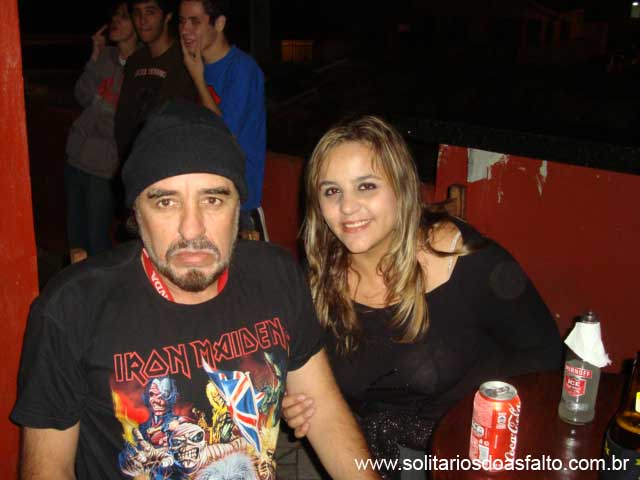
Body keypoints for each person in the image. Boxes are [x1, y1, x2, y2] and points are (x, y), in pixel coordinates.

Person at [11, 100, 379, 480]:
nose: (192, 229)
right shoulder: (73, 306)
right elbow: (48, 467)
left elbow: (324, 413)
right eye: (166, 202)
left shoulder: (276, 275)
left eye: (213, 200)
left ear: (238, 207)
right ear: (136, 212)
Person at [282, 116, 563, 479]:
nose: (348, 207)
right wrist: (294, 402)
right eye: (332, 191)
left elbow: (545, 352)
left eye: (366, 186)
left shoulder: (464, 261)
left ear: (401, 188)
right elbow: (317, 390)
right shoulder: (316, 281)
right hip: (368, 448)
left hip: (470, 446)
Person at [178, 0, 266, 238]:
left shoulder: (242, 68)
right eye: (182, 21)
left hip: (240, 202)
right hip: (206, 195)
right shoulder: (195, 65)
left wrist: (198, 78)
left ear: (219, 23)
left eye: (195, 22)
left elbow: (226, 134)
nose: (185, 30)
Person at [64, 2, 138, 262]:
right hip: (76, 158)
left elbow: (120, 122)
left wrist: (99, 105)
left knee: (97, 242)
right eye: (115, 15)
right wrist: (94, 56)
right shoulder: (106, 56)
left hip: (104, 167)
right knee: (75, 240)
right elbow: (81, 95)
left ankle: (102, 288)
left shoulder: (141, 65)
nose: (115, 21)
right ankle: (77, 288)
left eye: (124, 17)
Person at [114, 0, 197, 161]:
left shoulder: (183, 59)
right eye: (137, 13)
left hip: (166, 158)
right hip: (132, 161)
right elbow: (122, 119)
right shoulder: (135, 60)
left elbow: (173, 120)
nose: (142, 20)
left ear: (167, 16)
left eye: (150, 12)